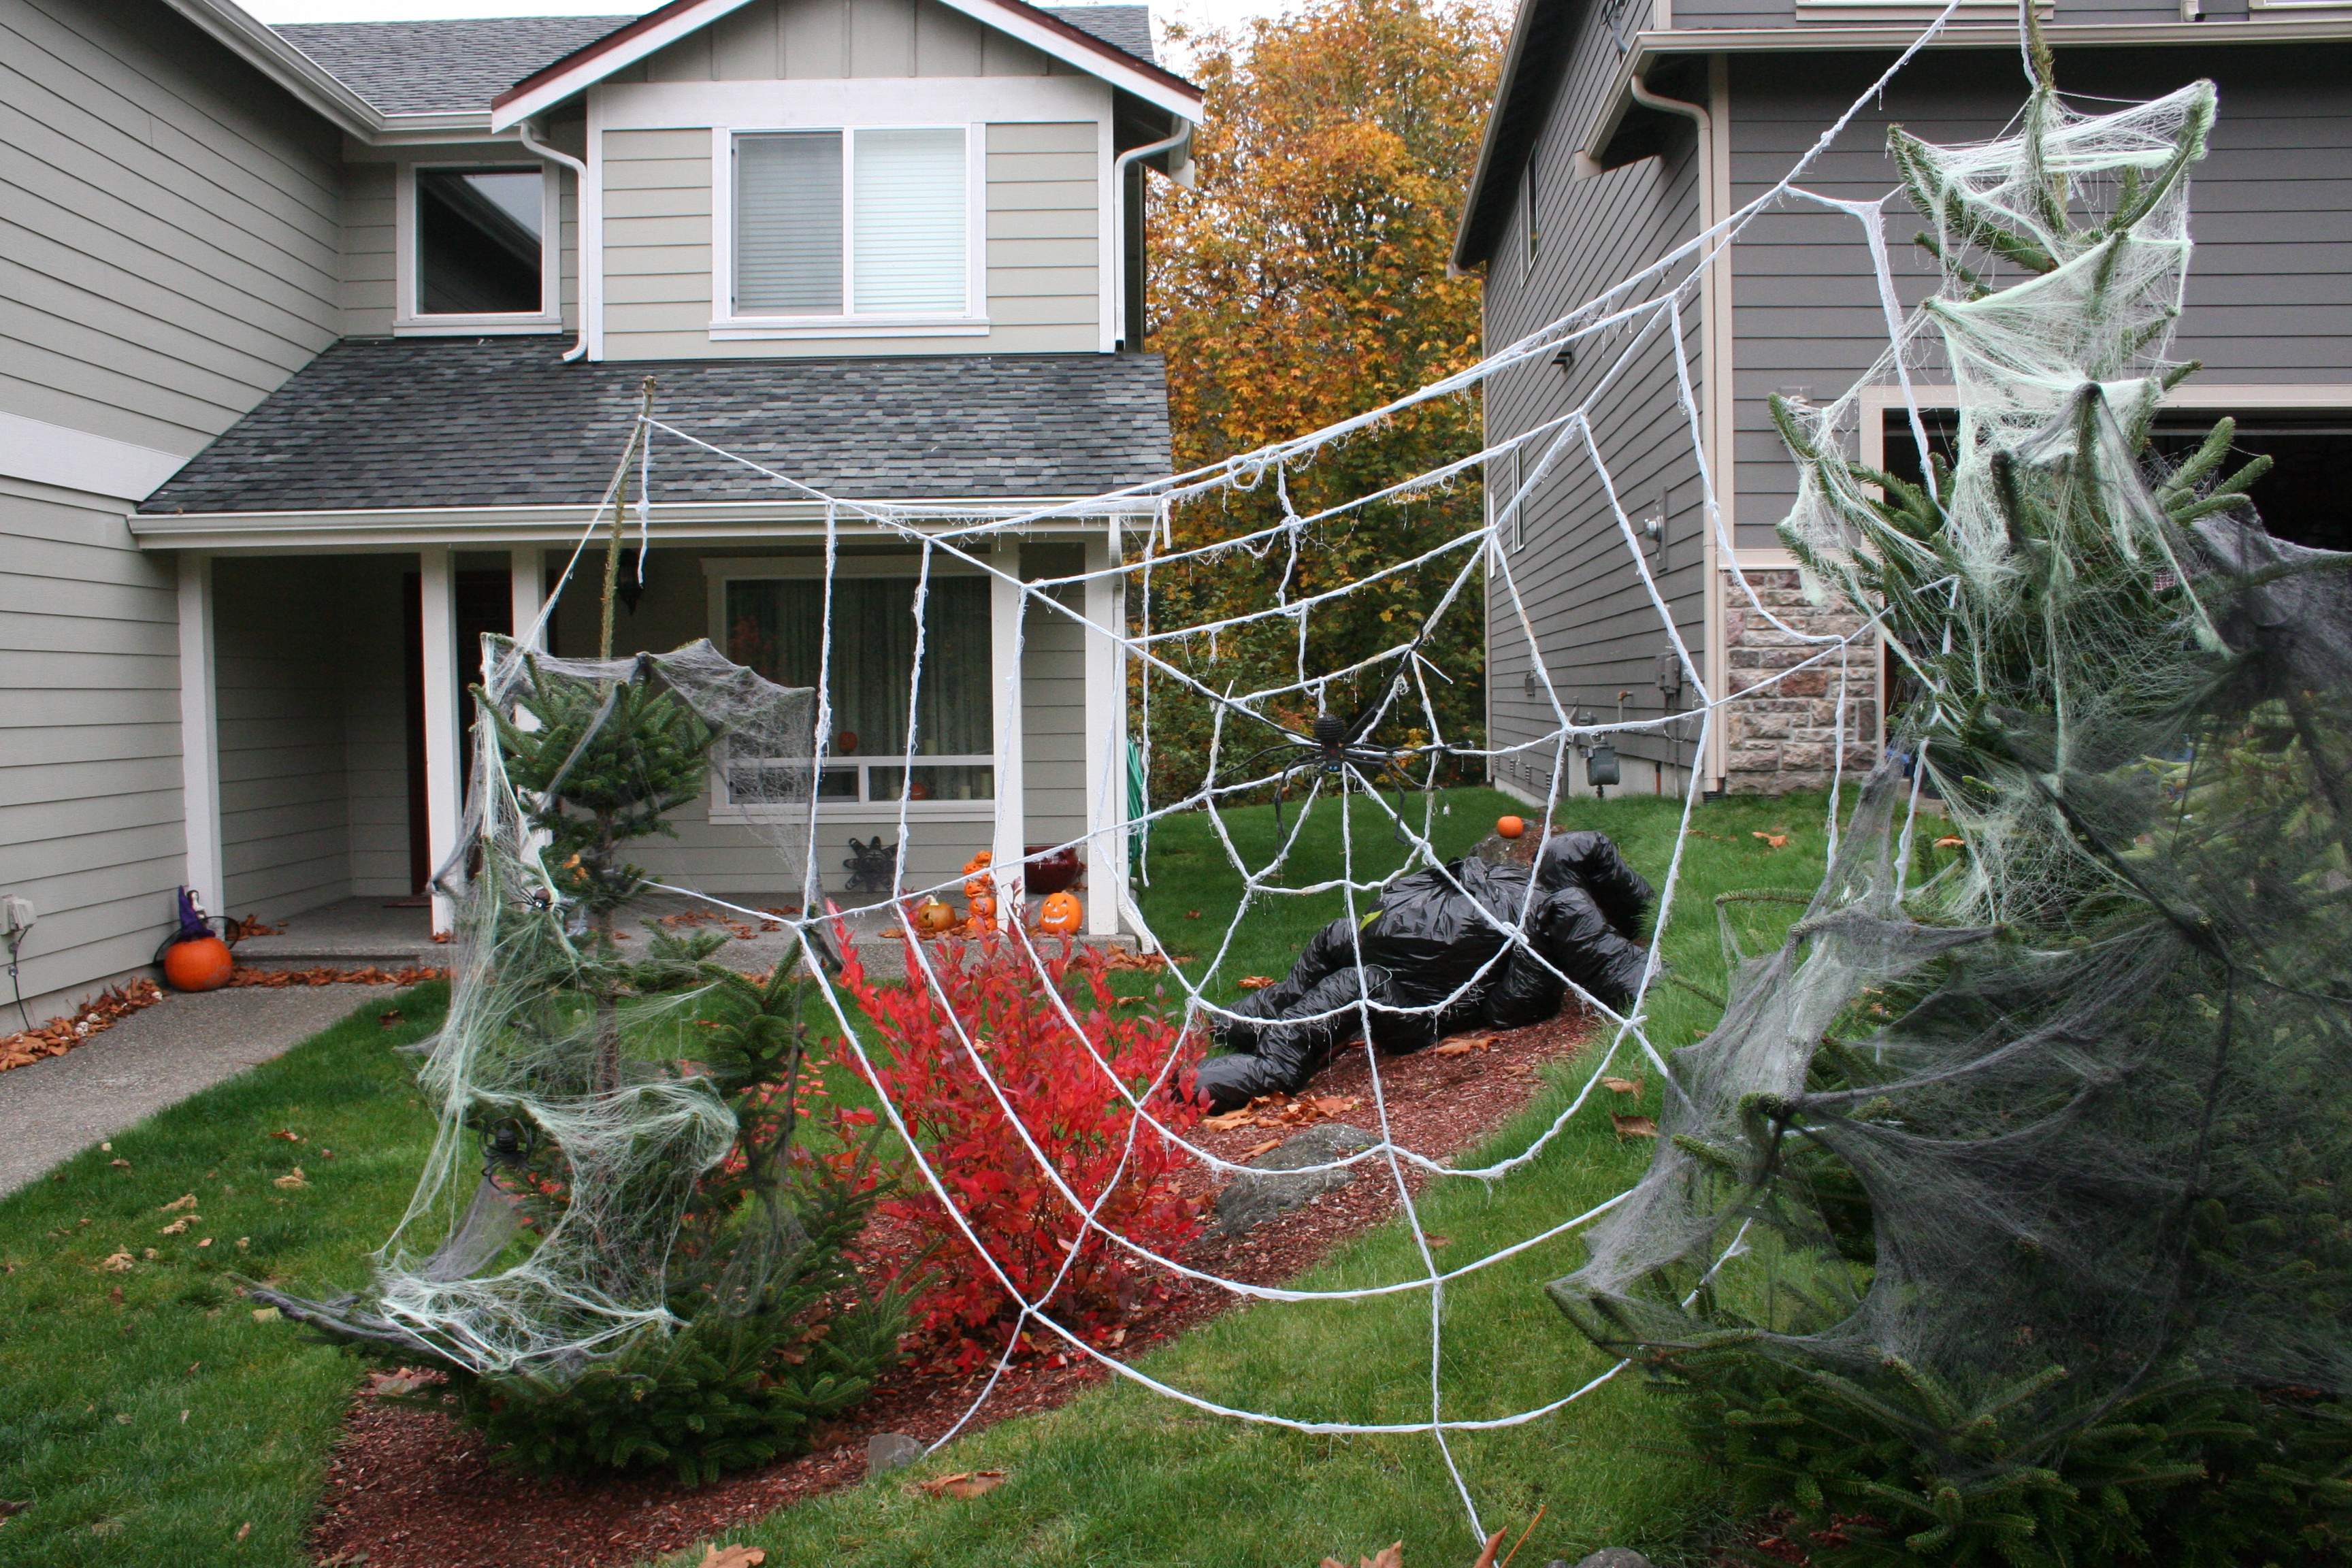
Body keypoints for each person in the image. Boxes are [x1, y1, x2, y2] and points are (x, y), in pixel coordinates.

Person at [1193, 830, 1654, 1111]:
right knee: (1344, 959)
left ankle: (1637, 970)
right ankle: (1245, 1034)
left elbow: (1565, 894)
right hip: (1432, 1003)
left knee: (1568, 882)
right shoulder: (1374, 958)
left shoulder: (1552, 900)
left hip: (1505, 993)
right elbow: (1339, 944)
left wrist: (1631, 936)